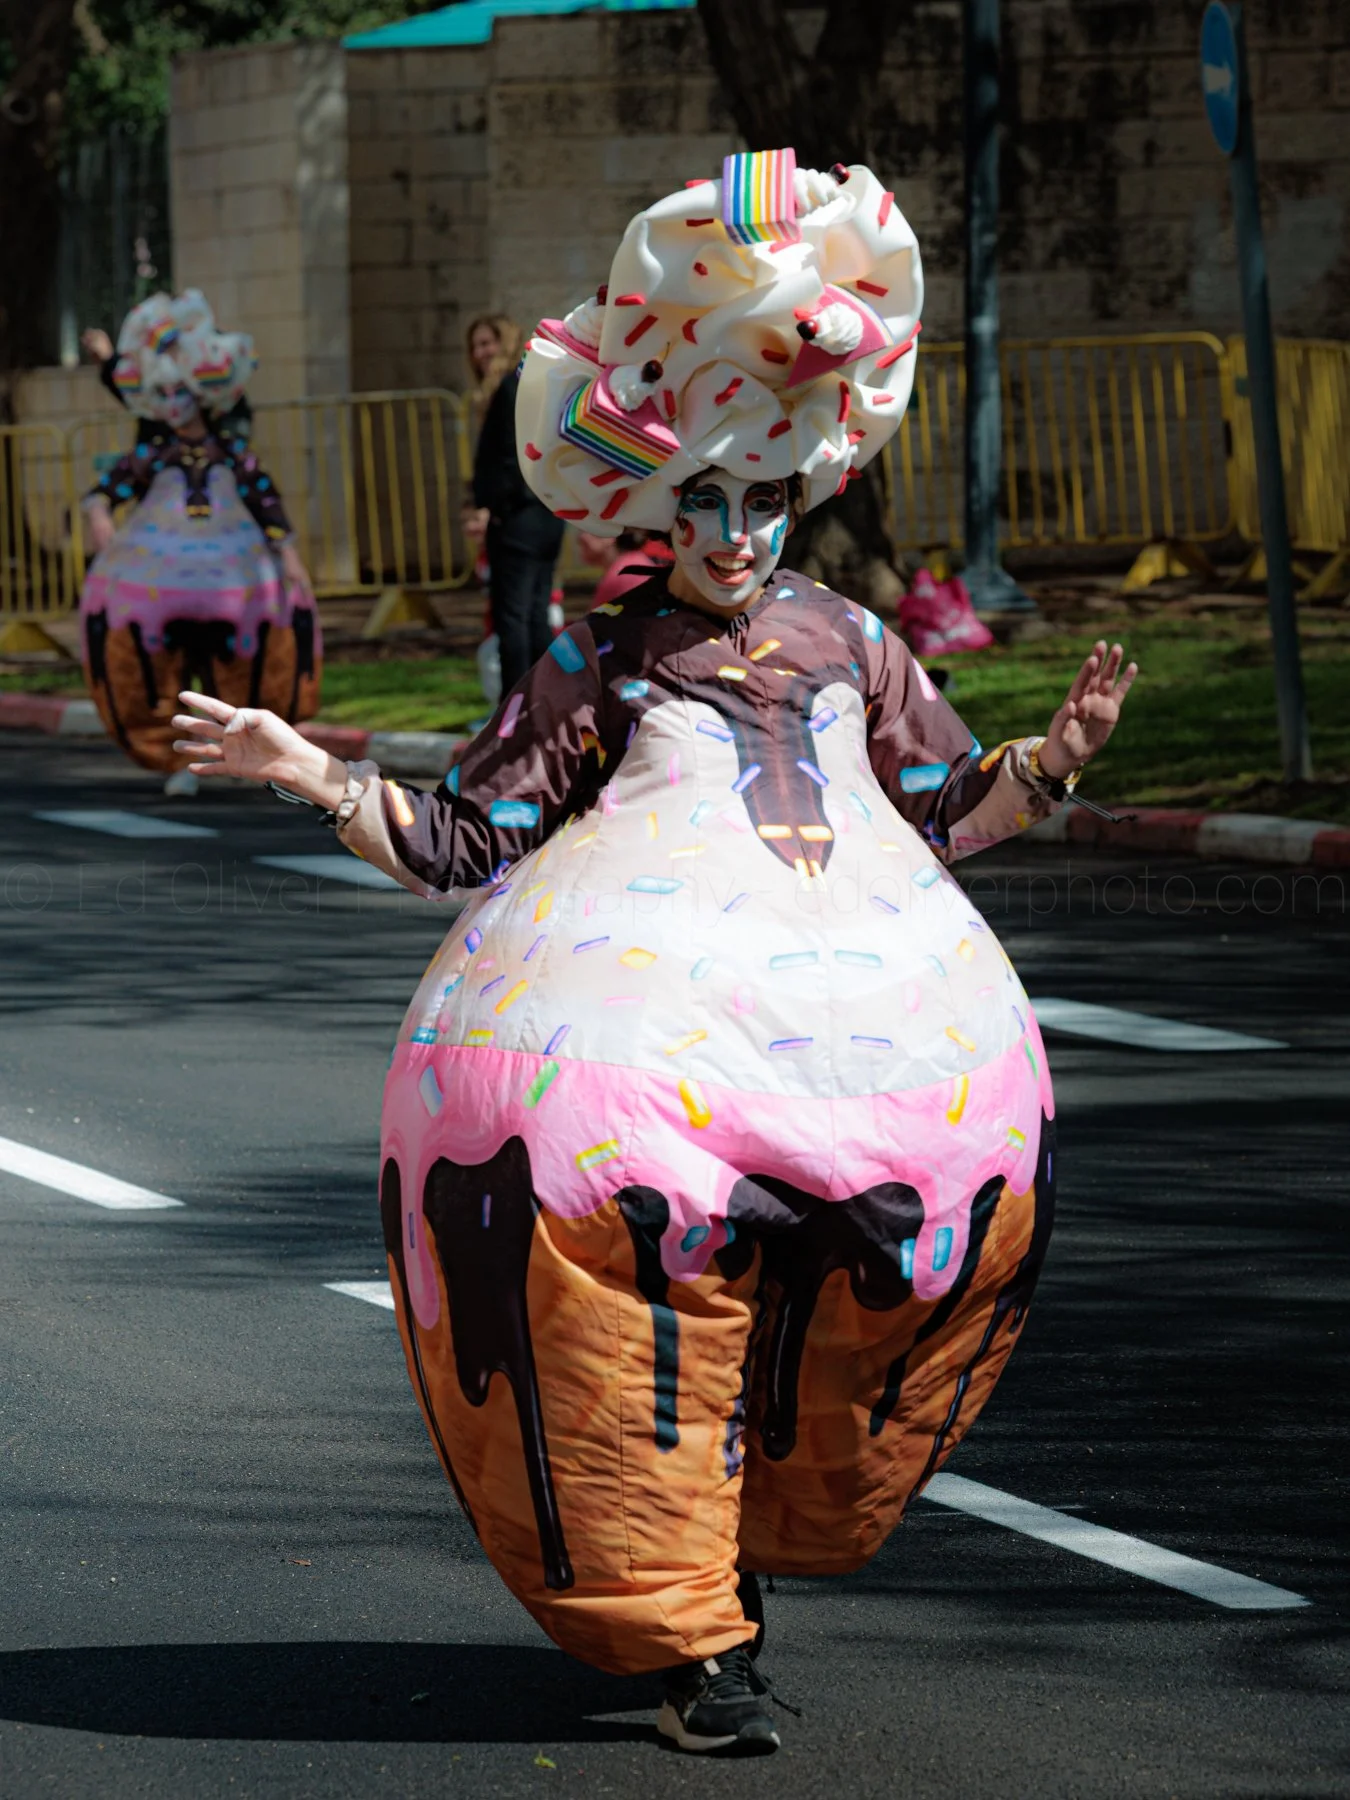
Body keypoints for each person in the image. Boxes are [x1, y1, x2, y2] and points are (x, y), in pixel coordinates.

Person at [172, 153, 1137, 1757]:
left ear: (802, 485)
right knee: (623, 1344)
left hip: (877, 1078)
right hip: (642, 1082)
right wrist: (314, 775)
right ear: (648, 499)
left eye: (764, 498)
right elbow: (468, 839)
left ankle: (742, 1568)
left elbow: (942, 811)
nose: (740, 530)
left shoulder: (852, 640)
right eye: (707, 500)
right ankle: (696, 1654)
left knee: (869, 1318)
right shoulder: (600, 660)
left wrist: (1051, 759)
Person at [79, 290, 320, 794]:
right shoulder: (155, 453)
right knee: (171, 671)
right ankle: (181, 766)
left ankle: (240, 757)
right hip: (163, 587)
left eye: (181, 394)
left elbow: (264, 497)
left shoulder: (230, 452)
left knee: (233, 669)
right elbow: (111, 486)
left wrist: (288, 553)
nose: (173, 405)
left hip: (233, 586)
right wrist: (97, 510)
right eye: (163, 395)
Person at [462, 312, 565, 694]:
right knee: (535, 614)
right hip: (546, 514)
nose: (479, 354)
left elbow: (507, 459)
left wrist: (494, 508)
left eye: (488, 343)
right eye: (475, 346)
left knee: (514, 619)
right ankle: (542, 703)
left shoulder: (509, 389)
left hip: (518, 517)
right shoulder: (534, 385)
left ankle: (515, 710)